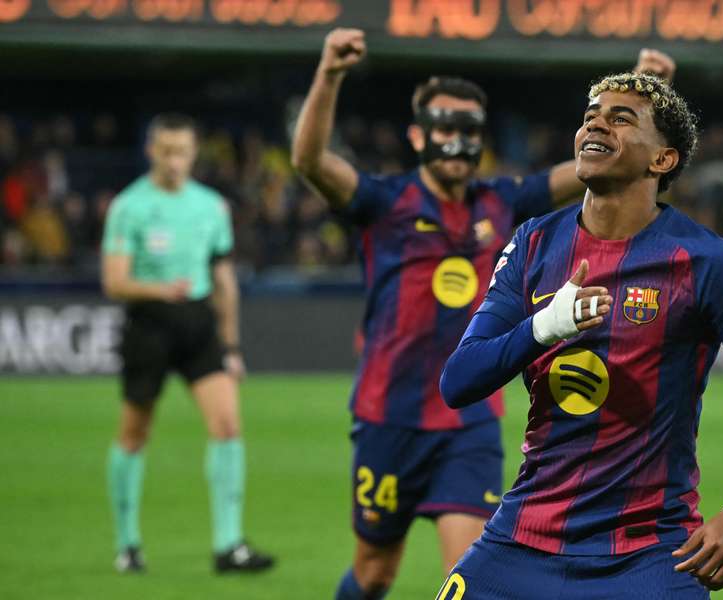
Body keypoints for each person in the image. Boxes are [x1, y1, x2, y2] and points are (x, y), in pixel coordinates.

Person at [291, 28, 675, 600]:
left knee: (467, 580)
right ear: (418, 134)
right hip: (387, 416)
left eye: (468, 129)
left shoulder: (504, 202)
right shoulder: (384, 201)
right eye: (444, 126)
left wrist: (643, 102)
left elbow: (598, 164)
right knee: (374, 574)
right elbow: (309, 160)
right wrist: (329, 73)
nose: (456, 140)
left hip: (467, 420)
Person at [437, 73, 723, 598]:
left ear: (662, 160)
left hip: (650, 557)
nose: (596, 121)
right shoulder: (533, 243)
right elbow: (458, 381)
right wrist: (543, 328)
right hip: (521, 542)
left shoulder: (708, 262)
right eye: (592, 113)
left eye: (621, 118)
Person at [101, 113, 275, 574]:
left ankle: (229, 545)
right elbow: (114, 281)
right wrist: (161, 291)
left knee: (228, 426)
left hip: (199, 325)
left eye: (182, 151)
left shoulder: (211, 207)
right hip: (149, 327)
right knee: (135, 433)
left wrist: (232, 345)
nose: (174, 160)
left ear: (194, 153)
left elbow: (223, 279)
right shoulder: (129, 207)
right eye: (166, 151)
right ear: (150, 151)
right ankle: (128, 544)